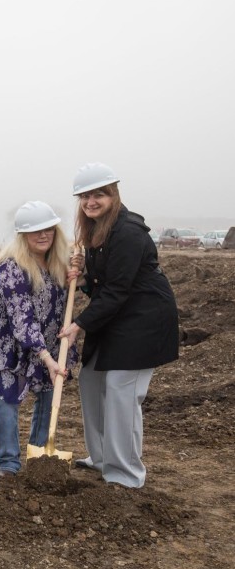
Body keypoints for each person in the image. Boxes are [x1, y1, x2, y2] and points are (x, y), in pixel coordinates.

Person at [59, 163, 179, 488]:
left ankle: (126, 474)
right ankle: (101, 458)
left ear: (113, 193)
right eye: (85, 196)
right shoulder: (98, 232)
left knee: (122, 393)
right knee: (90, 381)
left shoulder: (127, 232)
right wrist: (84, 277)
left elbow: (117, 291)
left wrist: (78, 325)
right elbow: (102, 285)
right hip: (115, 320)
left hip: (143, 322)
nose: (91, 201)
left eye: (99, 194)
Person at [0, 201, 76, 477]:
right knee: (7, 398)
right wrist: (46, 358)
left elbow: (60, 302)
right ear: (22, 235)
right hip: (7, 344)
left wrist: (76, 276)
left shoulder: (58, 262)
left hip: (48, 340)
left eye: (48, 229)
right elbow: (22, 320)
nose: (43, 235)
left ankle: (39, 454)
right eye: (35, 231)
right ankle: (8, 462)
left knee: (47, 394)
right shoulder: (11, 269)